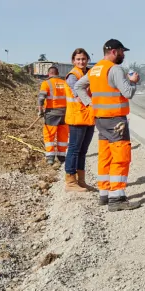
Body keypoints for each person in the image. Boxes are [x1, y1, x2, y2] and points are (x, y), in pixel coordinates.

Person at [74, 39, 141, 211]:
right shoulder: (115, 69)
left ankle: (104, 194)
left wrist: (89, 103)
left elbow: (79, 87)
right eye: (121, 51)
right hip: (116, 120)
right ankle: (116, 199)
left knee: (105, 157)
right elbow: (127, 93)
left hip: (101, 120)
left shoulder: (95, 69)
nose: (123, 54)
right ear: (113, 51)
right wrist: (133, 81)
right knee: (120, 157)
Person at [63, 48, 94, 193]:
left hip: (88, 118)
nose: (81, 62)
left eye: (83, 59)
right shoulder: (73, 76)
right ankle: (70, 182)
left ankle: (81, 181)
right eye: (78, 59)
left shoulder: (89, 73)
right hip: (77, 118)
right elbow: (79, 94)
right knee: (74, 150)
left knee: (83, 151)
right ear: (73, 61)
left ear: (87, 59)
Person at [38, 66, 68, 165]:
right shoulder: (64, 83)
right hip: (64, 113)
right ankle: (61, 156)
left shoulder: (46, 83)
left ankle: (50, 157)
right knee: (63, 135)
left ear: (49, 73)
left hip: (51, 113)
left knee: (49, 135)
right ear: (57, 73)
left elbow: (41, 98)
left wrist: (40, 111)